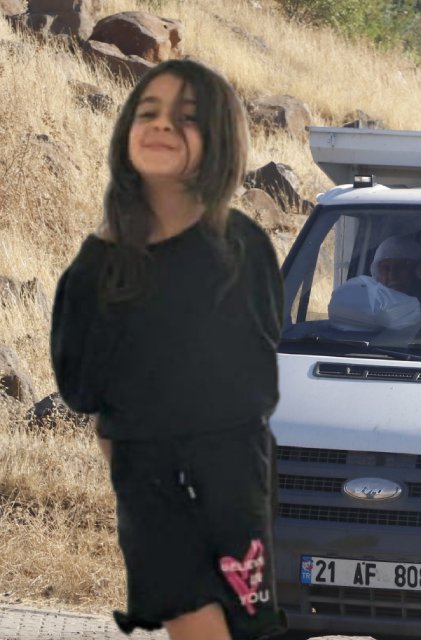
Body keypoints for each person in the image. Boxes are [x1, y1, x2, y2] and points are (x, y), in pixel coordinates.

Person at [50, 60, 285, 640]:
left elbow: (259, 362)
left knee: (240, 619)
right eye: (148, 112)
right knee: (189, 611)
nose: (161, 126)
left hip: (232, 465)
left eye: (186, 118)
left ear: (220, 140)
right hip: (144, 467)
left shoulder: (245, 248)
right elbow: (80, 386)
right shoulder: (98, 265)